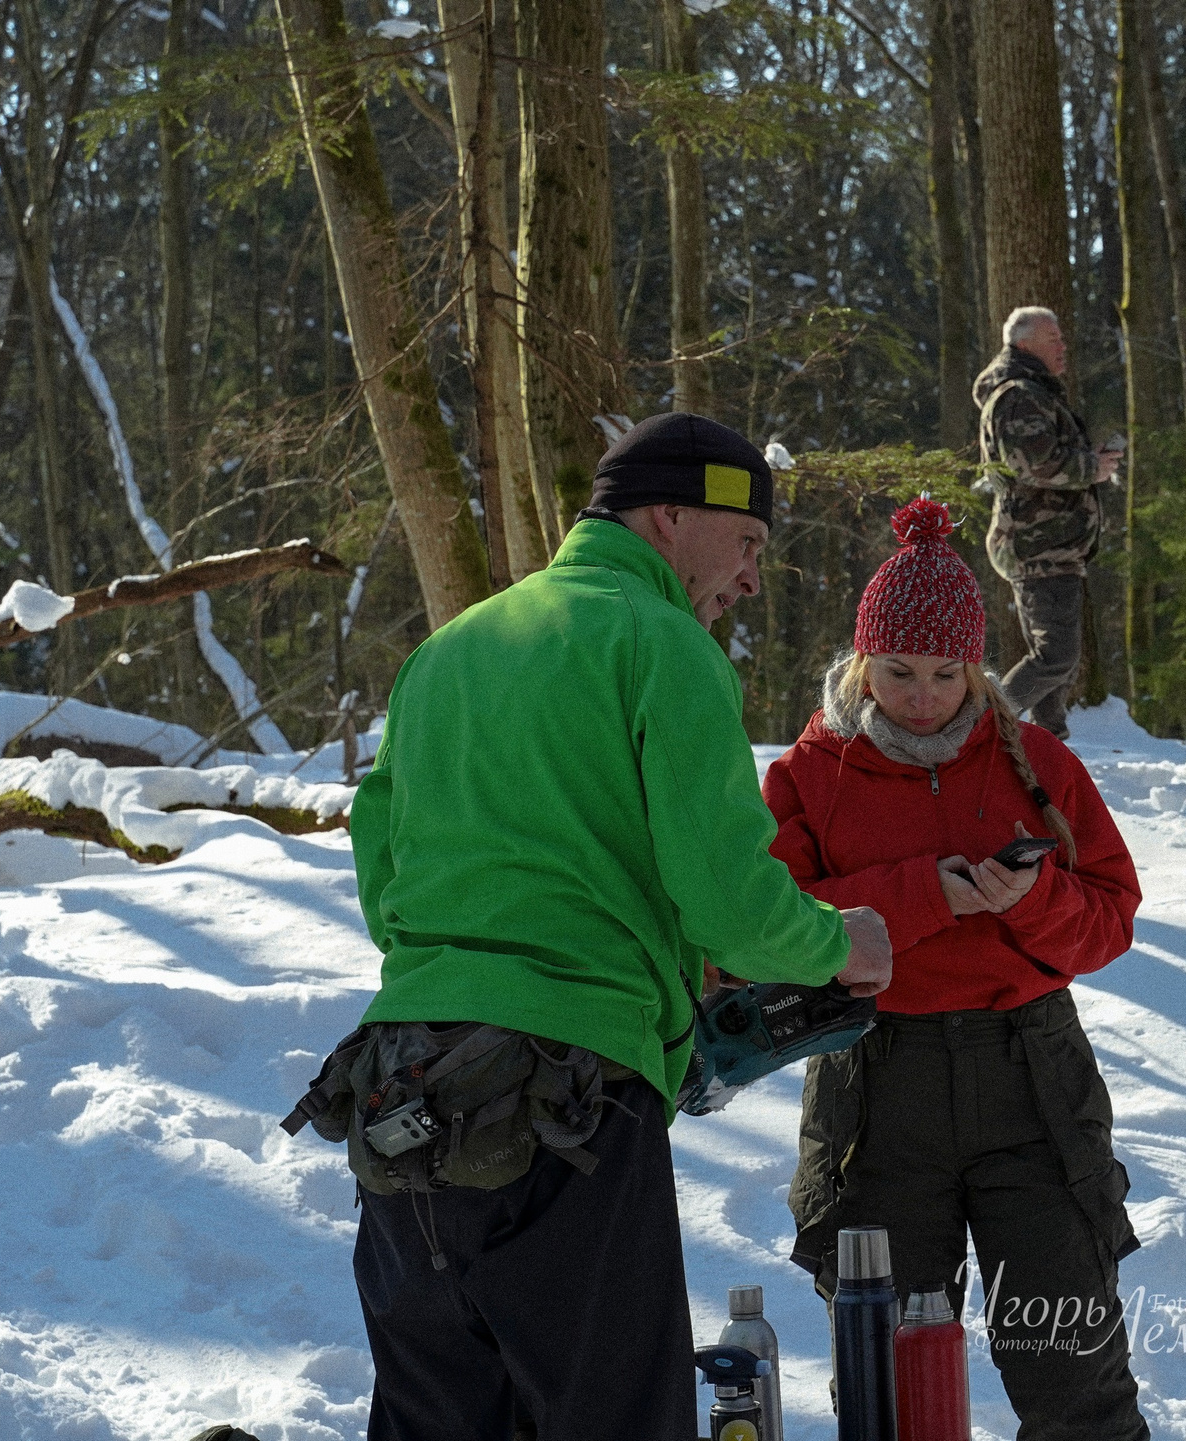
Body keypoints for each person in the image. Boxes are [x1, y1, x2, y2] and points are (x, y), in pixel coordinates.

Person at [345, 412, 895, 1440]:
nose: (750, 578)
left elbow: (384, 880)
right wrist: (837, 943)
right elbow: (729, 900)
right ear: (671, 513)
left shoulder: (448, 651)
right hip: (569, 1097)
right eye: (748, 544)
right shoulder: (661, 643)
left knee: (439, 1419)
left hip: (402, 1087)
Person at [766, 497, 1150, 1440]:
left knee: (1071, 1366)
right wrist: (926, 893)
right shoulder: (811, 775)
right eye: (898, 671)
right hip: (874, 1081)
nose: (924, 693)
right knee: (890, 1379)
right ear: (861, 661)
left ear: (977, 666)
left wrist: (1032, 902)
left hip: (1032, 1077)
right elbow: (770, 934)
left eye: (947, 672)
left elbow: (1109, 921)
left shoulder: (1037, 763)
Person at [976, 305, 1121, 739]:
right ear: (1024, 344)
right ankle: (979, 728)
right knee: (1056, 658)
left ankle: (1048, 746)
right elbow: (1032, 464)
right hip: (1039, 544)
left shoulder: (1032, 391)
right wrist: (1091, 467)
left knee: (1054, 661)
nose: (1063, 346)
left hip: (1051, 542)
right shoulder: (1018, 394)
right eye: (1053, 338)